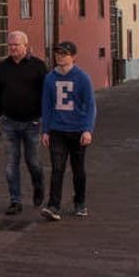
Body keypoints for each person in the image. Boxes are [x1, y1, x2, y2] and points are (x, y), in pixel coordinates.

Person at [0, 30, 47, 215]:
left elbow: (47, 96)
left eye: (16, 45)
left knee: (33, 162)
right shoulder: (3, 67)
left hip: (32, 123)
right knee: (10, 164)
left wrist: (48, 122)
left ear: (26, 46)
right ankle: (15, 200)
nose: (13, 48)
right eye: (10, 45)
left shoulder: (38, 66)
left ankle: (38, 185)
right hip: (9, 123)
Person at [40, 41, 96, 221]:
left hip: (78, 130)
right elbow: (46, 106)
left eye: (64, 53)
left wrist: (87, 129)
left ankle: (80, 202)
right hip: (57, 130)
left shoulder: (82, 78)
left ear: (73, 56)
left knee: (78, 169)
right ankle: (53, 205)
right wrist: (46, 130)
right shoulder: (50, 78)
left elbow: (90, 106)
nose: (60, 56)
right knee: (57, 168)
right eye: (57, 53)